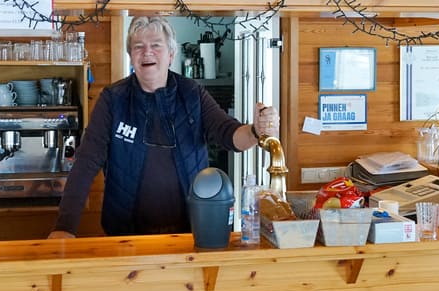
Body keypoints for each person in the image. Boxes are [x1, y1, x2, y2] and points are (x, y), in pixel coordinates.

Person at [49, 16, 279, 238]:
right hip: (125, 236)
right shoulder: (113, 99)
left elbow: (229, 134)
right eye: (138, 47)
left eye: (156, 45)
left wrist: (255, 131)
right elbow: (86, 163)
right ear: (131, 56)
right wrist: (64, 228)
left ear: (171, 54)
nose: (147, 52)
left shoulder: (192, 93)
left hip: (189, 234)